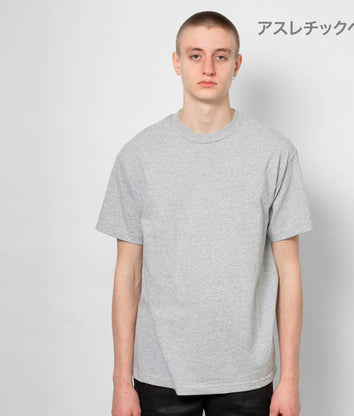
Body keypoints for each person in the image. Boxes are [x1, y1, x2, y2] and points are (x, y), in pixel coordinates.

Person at [95, 10, 314, 416]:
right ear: (177, 62)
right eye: (195, 56)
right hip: (160, 373)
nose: (208, 68)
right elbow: (128, 274)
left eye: (220, 56)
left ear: (237, 64)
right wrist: (121, 382)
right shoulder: (139, 155)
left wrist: (290, 380)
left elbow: (290, 273)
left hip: (247, 376)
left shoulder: (274, 153)